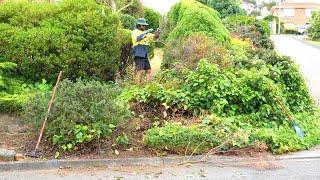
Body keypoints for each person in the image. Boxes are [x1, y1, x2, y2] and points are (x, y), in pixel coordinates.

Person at [131, 18, 160, 85]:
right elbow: (137, 38)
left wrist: (157, 33)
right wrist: (145, 33)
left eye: (145, 25)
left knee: (149, 70)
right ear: (139, 25)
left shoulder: (147, 33)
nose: (144, 26)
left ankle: (147, 85)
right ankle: (137, 86)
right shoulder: (135, 32)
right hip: (138, 52)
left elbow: (154, 38)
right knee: (139, 71)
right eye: (143, 25)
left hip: (144, 53)